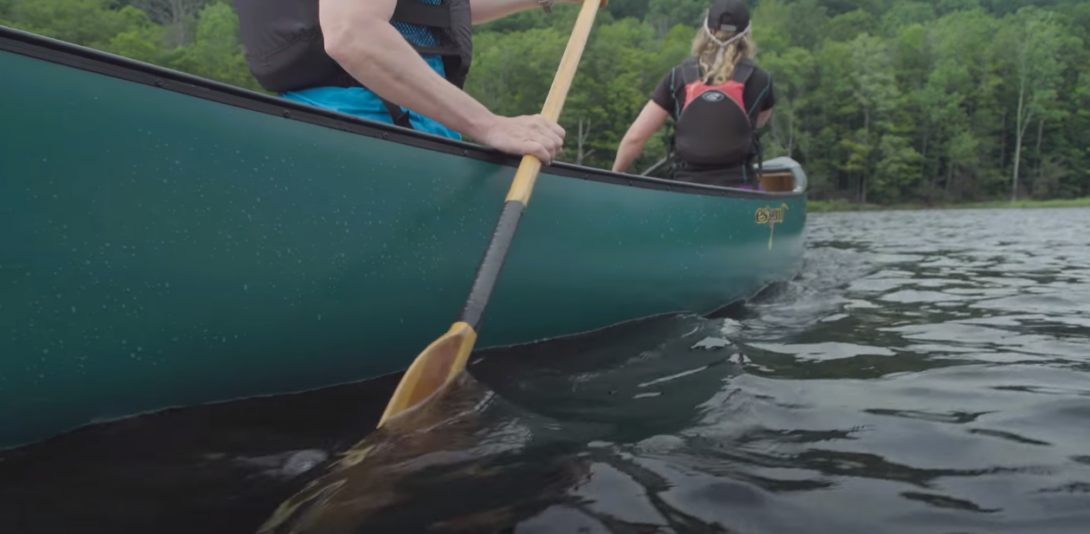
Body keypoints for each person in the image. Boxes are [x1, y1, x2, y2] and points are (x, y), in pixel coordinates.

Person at [234, 0, 596, 165]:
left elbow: (436, 8)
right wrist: (491, 125)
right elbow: (351, 32)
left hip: (361, 133)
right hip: (376, 139)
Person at [611, 0, 775, 187]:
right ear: (746, 35)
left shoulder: (677, 77)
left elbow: (635, 138)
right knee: (768, 215)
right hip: (740, 189)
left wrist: (614, 176)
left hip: (687, 190)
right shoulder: (761, 80)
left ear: (706, 31)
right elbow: (758, 122)